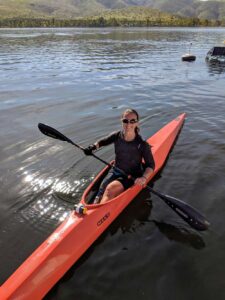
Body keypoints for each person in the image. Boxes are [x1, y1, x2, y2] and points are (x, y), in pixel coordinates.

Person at [84, 108, 155, 204]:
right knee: (100, 190)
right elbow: (102, 142)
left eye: (132, 121)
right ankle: (95, 205)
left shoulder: (142, 145)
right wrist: (92, 147)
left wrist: (144, 178)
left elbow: (151, 165)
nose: (128, 124)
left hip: (131, 176)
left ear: (137, 123)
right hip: (115, 170)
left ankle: (98, 212)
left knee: (110, 189)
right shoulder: (117, 136)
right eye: (125, 121)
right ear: (122, 121)